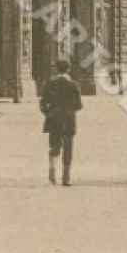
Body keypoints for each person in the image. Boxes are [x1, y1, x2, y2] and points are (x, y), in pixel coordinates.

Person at [38, 59, 83, 187]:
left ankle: (52, 172)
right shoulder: (74, 85)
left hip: (54, 119)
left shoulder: (50, 84)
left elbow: (42, 103)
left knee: (54, 147)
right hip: (68, 120)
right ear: (68, 69)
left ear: (57, 69)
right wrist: (69, 110)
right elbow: (79, 105)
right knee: (68, 149)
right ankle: (66, 178)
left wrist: (49, 113)